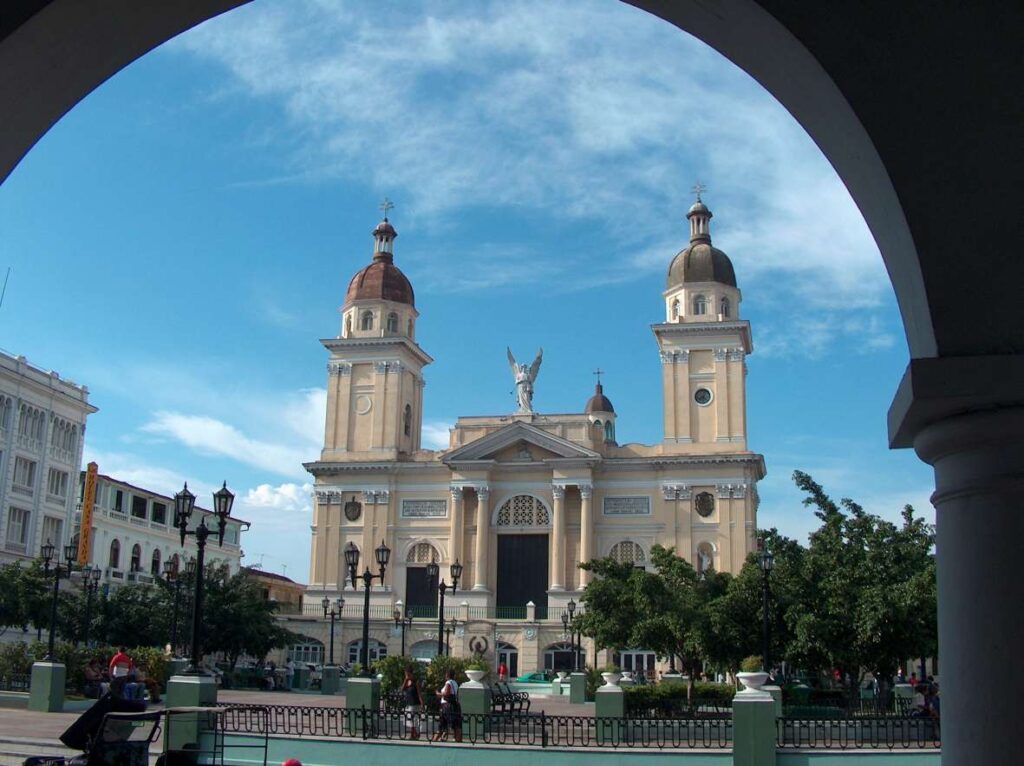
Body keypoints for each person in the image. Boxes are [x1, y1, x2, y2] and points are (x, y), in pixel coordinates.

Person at [433, 669, 462, 742]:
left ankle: (434, 741)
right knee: (456, 726)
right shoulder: (455, 683)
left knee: (442, 725)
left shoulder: (448, 683)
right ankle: (458, 740)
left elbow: (446, 694)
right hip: (454, 706)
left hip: (447, 706)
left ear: (447, 675)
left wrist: (438, 694)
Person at [401, 666, 423, 740]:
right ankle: (414, 734)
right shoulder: (407, 681)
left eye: (408, 674)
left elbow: (419, 693)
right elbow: (402, 689)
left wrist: (422, 703)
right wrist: (405, 680)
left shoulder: (416, 682)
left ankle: (414, 734)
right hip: (408, 703)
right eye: (405, 674)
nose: (407, 676)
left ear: (411, 673)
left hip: (415, 703)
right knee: (409, 720)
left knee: (413, 720)